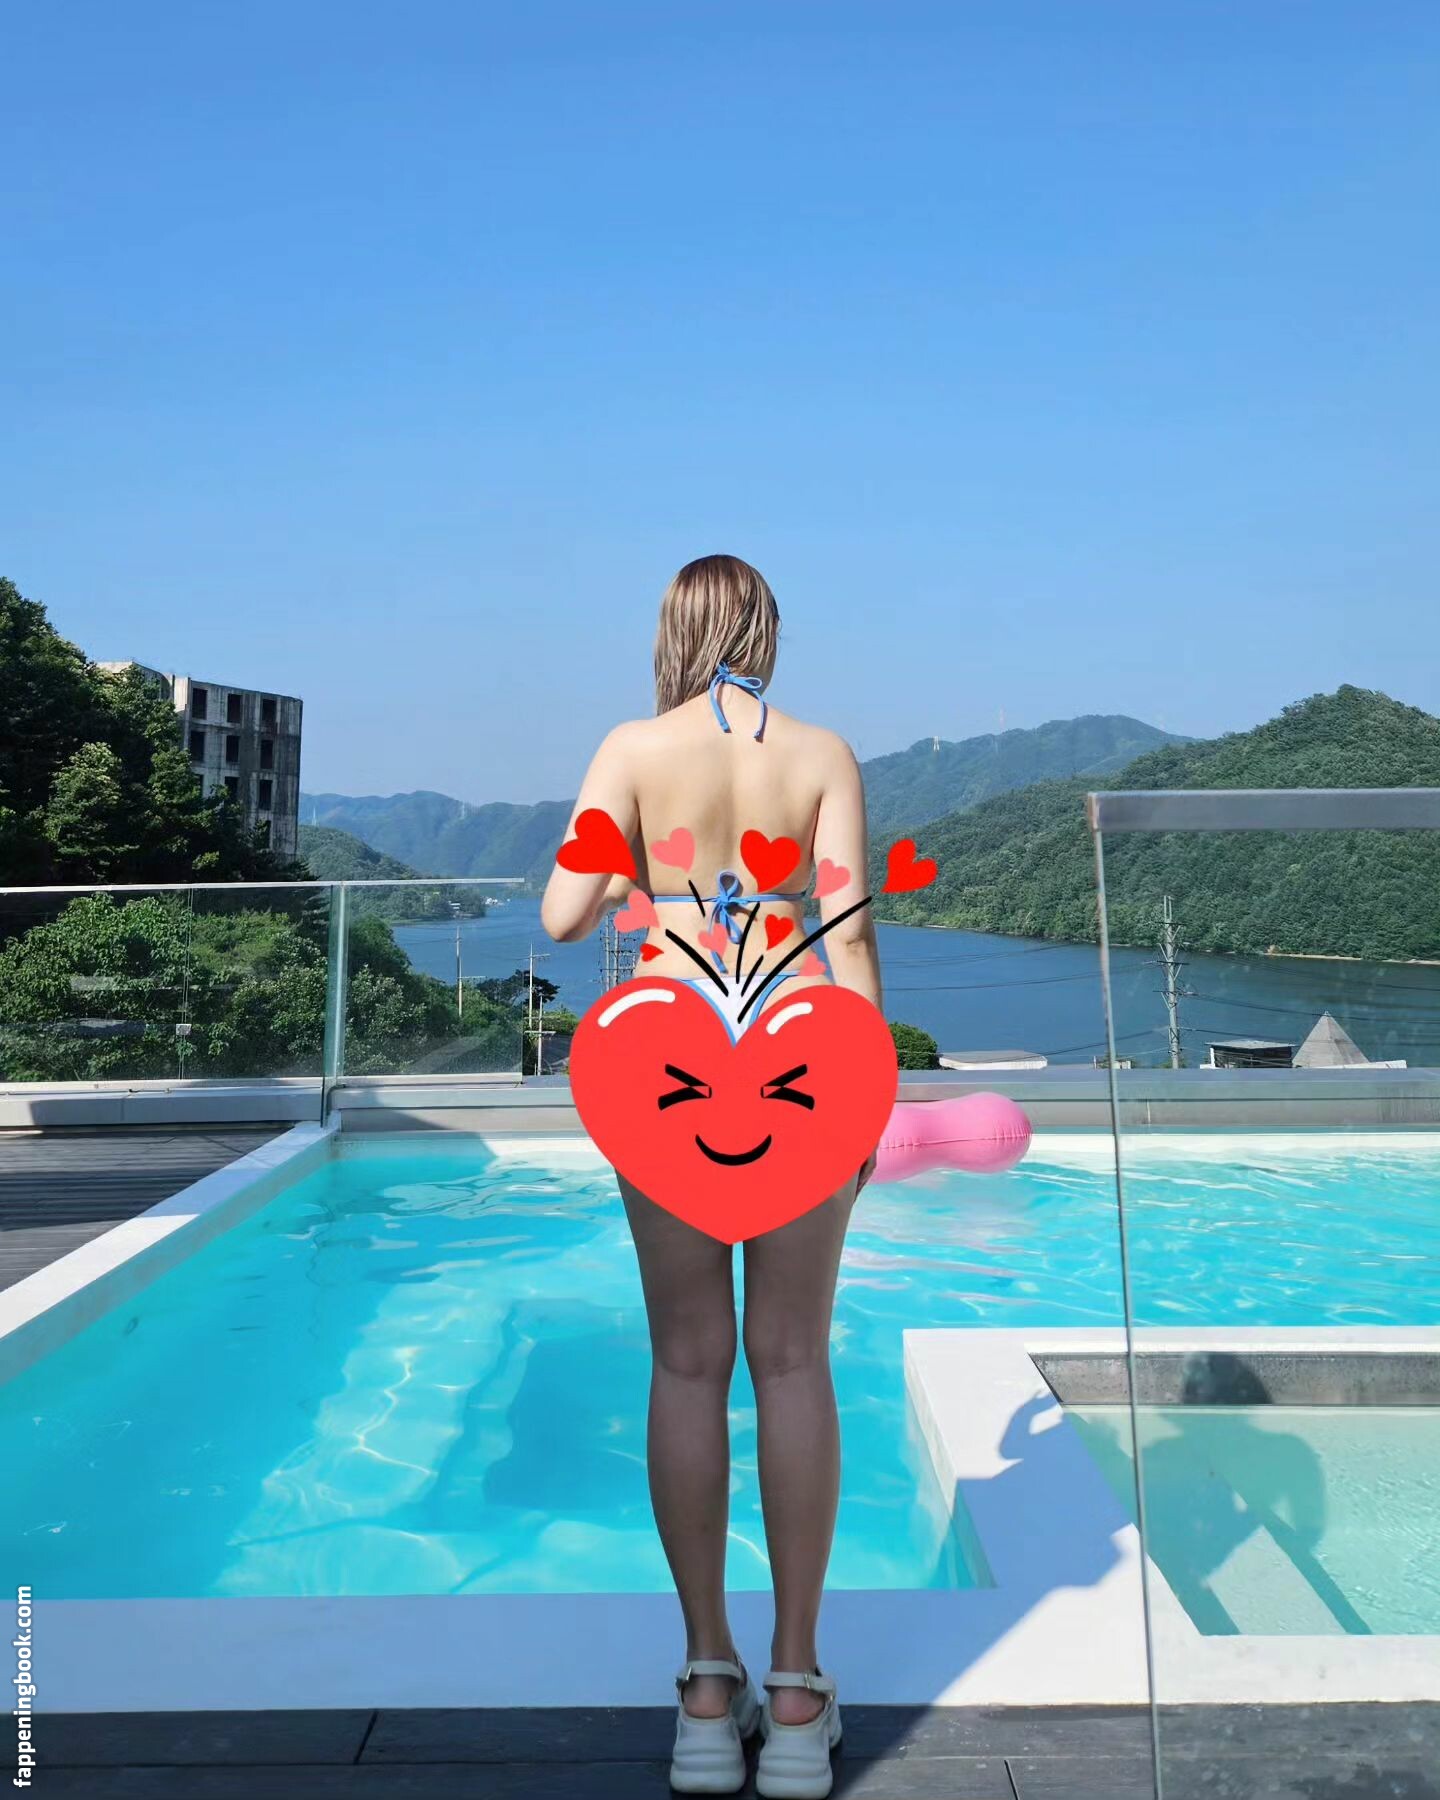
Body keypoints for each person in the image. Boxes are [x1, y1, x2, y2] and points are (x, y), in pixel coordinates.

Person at [541, 553, 884, 1799]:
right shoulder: (823, 755)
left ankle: (703, 1692)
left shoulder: (631, 749)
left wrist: (632, 867)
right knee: (792, 1360)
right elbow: (849, 934)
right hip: (797, 1055)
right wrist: (868, 1102)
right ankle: (793, 1697)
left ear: (674, 632)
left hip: (669, 1061)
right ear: (766, 633)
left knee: (688, 1362)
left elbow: (565, 915)